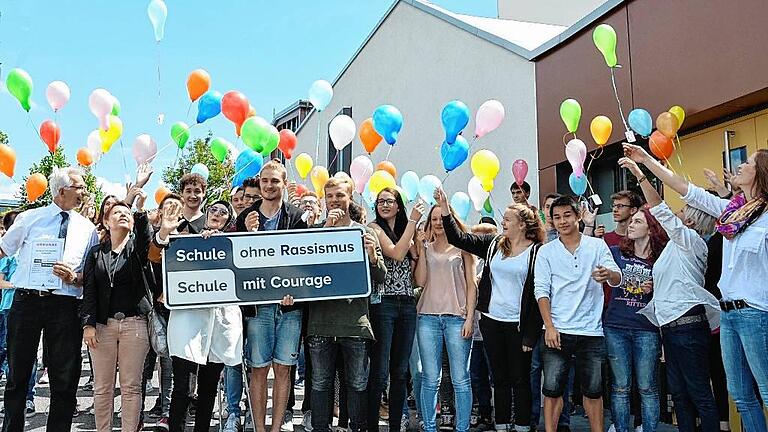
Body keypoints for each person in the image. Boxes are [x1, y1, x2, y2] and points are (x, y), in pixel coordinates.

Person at [618, 150, 729, 432]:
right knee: (679, 395)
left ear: (691, 221)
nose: (675, 214)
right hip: (673, 325)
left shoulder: (690, 240)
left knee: (699, 394)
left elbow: (658, 208)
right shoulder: (677, 247)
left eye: (681, 212)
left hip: (687, 326)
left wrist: (641, 174)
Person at [437, 187, 544, 432]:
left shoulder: (538, 252)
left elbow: (539, 294)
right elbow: (459, 239)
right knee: (500, 378)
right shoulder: (494, 244)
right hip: (491, 321)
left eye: (507, 219)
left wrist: (530, 333)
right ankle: (502, 423)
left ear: (522, 225)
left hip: (518, 325)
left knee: (520, 378)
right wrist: (445, 208)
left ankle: (523, 425)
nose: (503, 223)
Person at [0, 167, 97, 432]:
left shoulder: (88, 229)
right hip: (27, 302)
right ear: (62, 190)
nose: (84, 192)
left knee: (65, 378)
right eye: (80, 187)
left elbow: (90, 274)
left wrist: (74, 278)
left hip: (65, 306)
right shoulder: (31, 218)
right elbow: (3, 249)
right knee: (18, 375)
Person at [150, 198, 243, 432]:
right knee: (182, 386)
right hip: (188, 322)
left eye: (224, 212)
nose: (218, 214)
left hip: (221, 324)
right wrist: (166, 234)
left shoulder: (236, 243)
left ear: (229, 220)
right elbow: (153, 256)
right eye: (214, 209)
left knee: (209, 386)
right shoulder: (185, 238)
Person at [534, 195, 621, 432]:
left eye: (567, 215)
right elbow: (541, 291)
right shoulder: (546, 252)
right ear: (551, 221)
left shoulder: (596, 245)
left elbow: (616, 277)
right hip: (557, 331)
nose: (562, 221)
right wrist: (549, 326)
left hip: (591, 331)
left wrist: (608, 275)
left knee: (593, 392)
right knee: (552, 390)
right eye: (557, 217)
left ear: (578, 216)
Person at [307, 175, 387, 432]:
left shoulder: (365, 233)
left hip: (355, 324)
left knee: (357, 383)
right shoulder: (313, 234)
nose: (334, 201)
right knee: (320, 383)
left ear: (350, 197)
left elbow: (380, 277)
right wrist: (326, 233)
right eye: (329, 197)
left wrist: (373, 256)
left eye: (339, 195)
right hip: (321, 324)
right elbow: (305, 275)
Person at [235, 160, 307, 432]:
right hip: (258, 307)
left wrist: (296, 293)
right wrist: (249, 233)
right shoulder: (246, 218)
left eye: (275, 181)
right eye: (265, 180)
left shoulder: (297, 216)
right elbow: (238, 262)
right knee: (258, 370)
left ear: (283, 183)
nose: (269, 185)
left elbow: (303, 262)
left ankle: (276, 428)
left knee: (284, 369)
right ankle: (259, 429)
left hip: (289, 307)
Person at [81, 194, 157, 432]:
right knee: (102, 388)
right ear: (106, 222)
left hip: (134, 326)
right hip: (102, 328)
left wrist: (141, 211)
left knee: (131, 387)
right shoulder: (95, 253)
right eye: (116, 212)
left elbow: (147, 242)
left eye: (127, 213)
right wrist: (88, 324)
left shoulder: (137, 250)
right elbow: (89, 290)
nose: (122, 214)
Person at [602, 204, 668, 432]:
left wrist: (656, 288)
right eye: (631, 221)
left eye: (637, 222)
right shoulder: (615, 252)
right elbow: (608, 276)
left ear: (651, 229)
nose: (631, 225)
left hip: (647, 328)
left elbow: (671, 291)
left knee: (648, 387)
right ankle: (621, 428)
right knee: (620, 387)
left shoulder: (661, 260)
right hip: (616, 325)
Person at [413, 198, 478, 432]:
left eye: (442, 218)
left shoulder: (464, 247)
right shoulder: (426, 248)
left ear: (451, 218)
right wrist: (420, 249)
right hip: (427, 317)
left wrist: (470, 317)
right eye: (434, 219)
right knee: (430, 378)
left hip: (457, 318)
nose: (438, 222)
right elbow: (419, 281)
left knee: (461, 378)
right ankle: (430, 427)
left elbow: (472, 285)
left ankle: (462, 428)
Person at [366, 187, 424, 432]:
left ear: (398, 205)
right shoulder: (374, 228)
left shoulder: (406, 231)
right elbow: (397, 253)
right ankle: (370, 425)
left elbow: (417, 268)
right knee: (380, 370)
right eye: (380, 201)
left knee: (400, 371)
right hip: (384, 303)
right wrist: (412, 221)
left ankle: (395, 425)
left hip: (407, 302)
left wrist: (418, 246)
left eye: (390, 201)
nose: (385, 205)